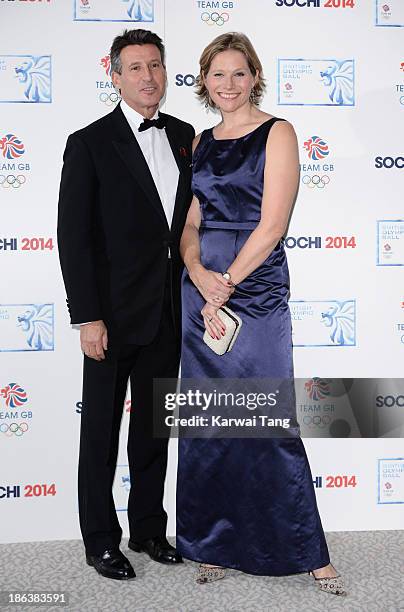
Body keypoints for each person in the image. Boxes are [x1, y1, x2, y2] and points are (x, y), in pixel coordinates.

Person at [177, 32, 345, 596]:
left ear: (255, 77)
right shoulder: (198, 141)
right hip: (201, 292)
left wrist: (225, 282)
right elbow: (190, 221)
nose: (228, 84)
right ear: (204, 81)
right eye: (217, 74)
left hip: (254, 286)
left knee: (269, 419)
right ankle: (209, 542)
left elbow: (273, 225)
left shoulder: (278, 133)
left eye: (239, 73)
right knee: (210, 421)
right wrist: (199, 275)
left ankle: (306, 549)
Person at [57, 28, 194, 580]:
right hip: (110, 319)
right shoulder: (89, 142)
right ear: (114, 75)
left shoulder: (186, 135)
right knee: (101, 433)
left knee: (155, 430)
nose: (148, 76)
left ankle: (148, 530)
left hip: (168, 312)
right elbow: (74, 237)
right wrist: (88, 316)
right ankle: (100, 540)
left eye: (156, 65)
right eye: (135, 67)